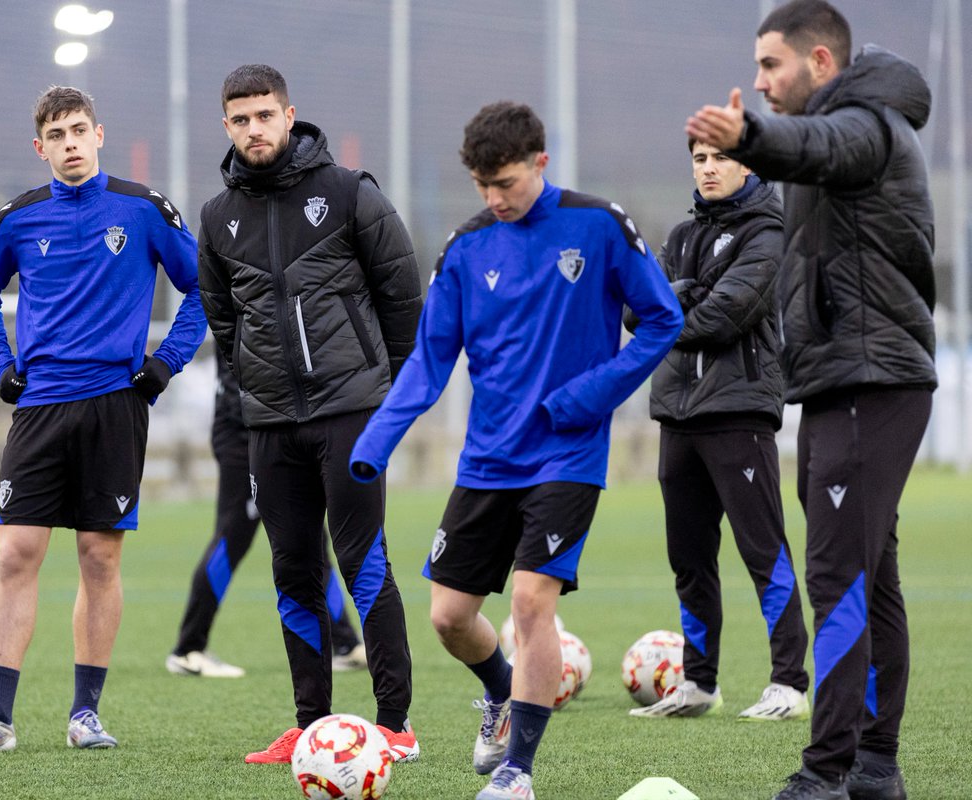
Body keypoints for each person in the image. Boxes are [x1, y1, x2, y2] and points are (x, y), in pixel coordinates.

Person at [350, 101, 683, 800]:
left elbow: (661, 320)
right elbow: (431, 360)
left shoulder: (599, 226)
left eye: (506, 183)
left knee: (532, 603)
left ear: (541, 162)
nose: (494, 199)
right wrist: (377, 438)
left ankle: (517, 772)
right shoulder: (467, 247)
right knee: (448, 618)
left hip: (567, 454)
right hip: (488, 461)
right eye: (482, 186)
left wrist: (592, 396)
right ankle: (501, 693)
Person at [687, 2, 937, 798]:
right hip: (841, 382)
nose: (760, 83)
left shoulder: (864, 128)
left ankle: (825, 772)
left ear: (820, 63)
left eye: (770, 66)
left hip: (872, 380)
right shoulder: (838, 133)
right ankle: (873, 765)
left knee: (836, 578)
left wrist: (750, 139)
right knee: (870, 575)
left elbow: (816, 145)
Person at [0, 86, 206, 753]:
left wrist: (167, 361)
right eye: (56, 135)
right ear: (41, 148)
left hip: (116, 406)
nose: (69, 144)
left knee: (98, 556)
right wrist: (0, 363)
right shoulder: (20, 218)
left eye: (78, 131)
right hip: (39, 408)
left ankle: (86, 713)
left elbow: (205, 288)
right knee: (16, 553)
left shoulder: (143, 209)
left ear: (99, 134)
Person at [196, 64, 423, 764]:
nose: (254, 129)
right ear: (227, 126)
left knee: (362, 561)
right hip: (270, 426)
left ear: (290, 116)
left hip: (351, 412)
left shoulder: (349, 193)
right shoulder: (217, 217)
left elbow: (404, 298)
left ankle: (394, 725)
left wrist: (379, 388)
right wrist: (253, 389)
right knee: (293, 570)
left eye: (265, 115)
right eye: (241, 119)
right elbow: (223, 319)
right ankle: (310, 723)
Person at [627, 139, 811, 721]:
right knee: (689, 557)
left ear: (747, 164)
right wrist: (675, 303)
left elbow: (725, 314)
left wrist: (674, 302)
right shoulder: (681, 236)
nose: (708, 168)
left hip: (739, 411)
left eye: (720, 158)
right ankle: (700, 683)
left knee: (764, 550)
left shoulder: (768, 230)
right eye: (699, 158)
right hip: (677, 413)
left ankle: (790, 683)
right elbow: (635, 308)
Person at [165, 345, 367, 678]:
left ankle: (345, 643)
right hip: (246, 434)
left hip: (281, 430)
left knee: (313, 533)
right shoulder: (242, 297)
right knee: (233, 534)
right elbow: (242, 376)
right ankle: (188, 648)